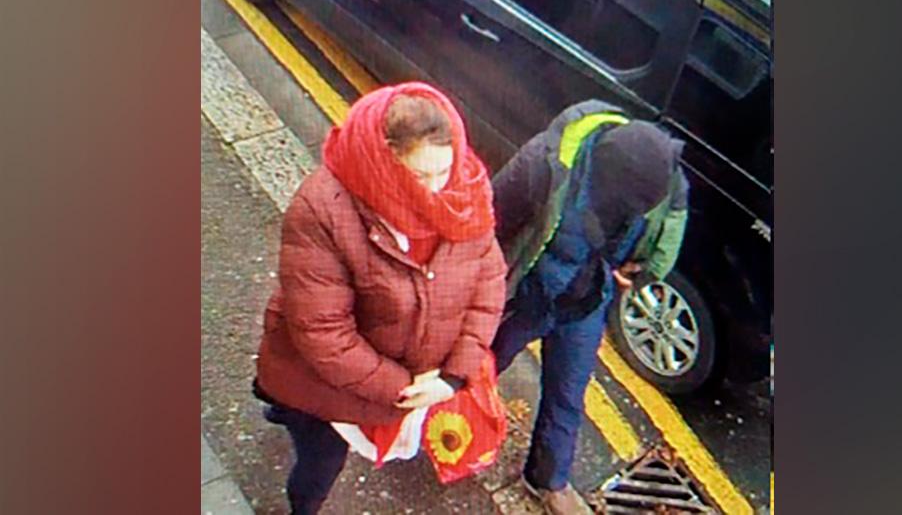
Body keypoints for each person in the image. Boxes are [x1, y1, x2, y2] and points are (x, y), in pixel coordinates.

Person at [252, 82, 507, 515]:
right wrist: (405, 389)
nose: (435, 191)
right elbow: (324, 333)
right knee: (320, 464)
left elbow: (489, 281)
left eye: (443, 171)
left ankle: (278, 410)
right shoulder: (321, 209)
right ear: (382, 161)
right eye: (418, 175)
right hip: (321, 385)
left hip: (400, 384)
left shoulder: (466, 194)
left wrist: (454, 374)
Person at [490, 100, 690, 515]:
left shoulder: (662, 184)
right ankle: (433, 424)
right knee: (480, 366)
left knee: (567, 394)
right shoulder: (545, 162)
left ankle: (548, 479)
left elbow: (663, 241)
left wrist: (639, 274)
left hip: (584, 304)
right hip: (530, 292)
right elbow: (491, 219)